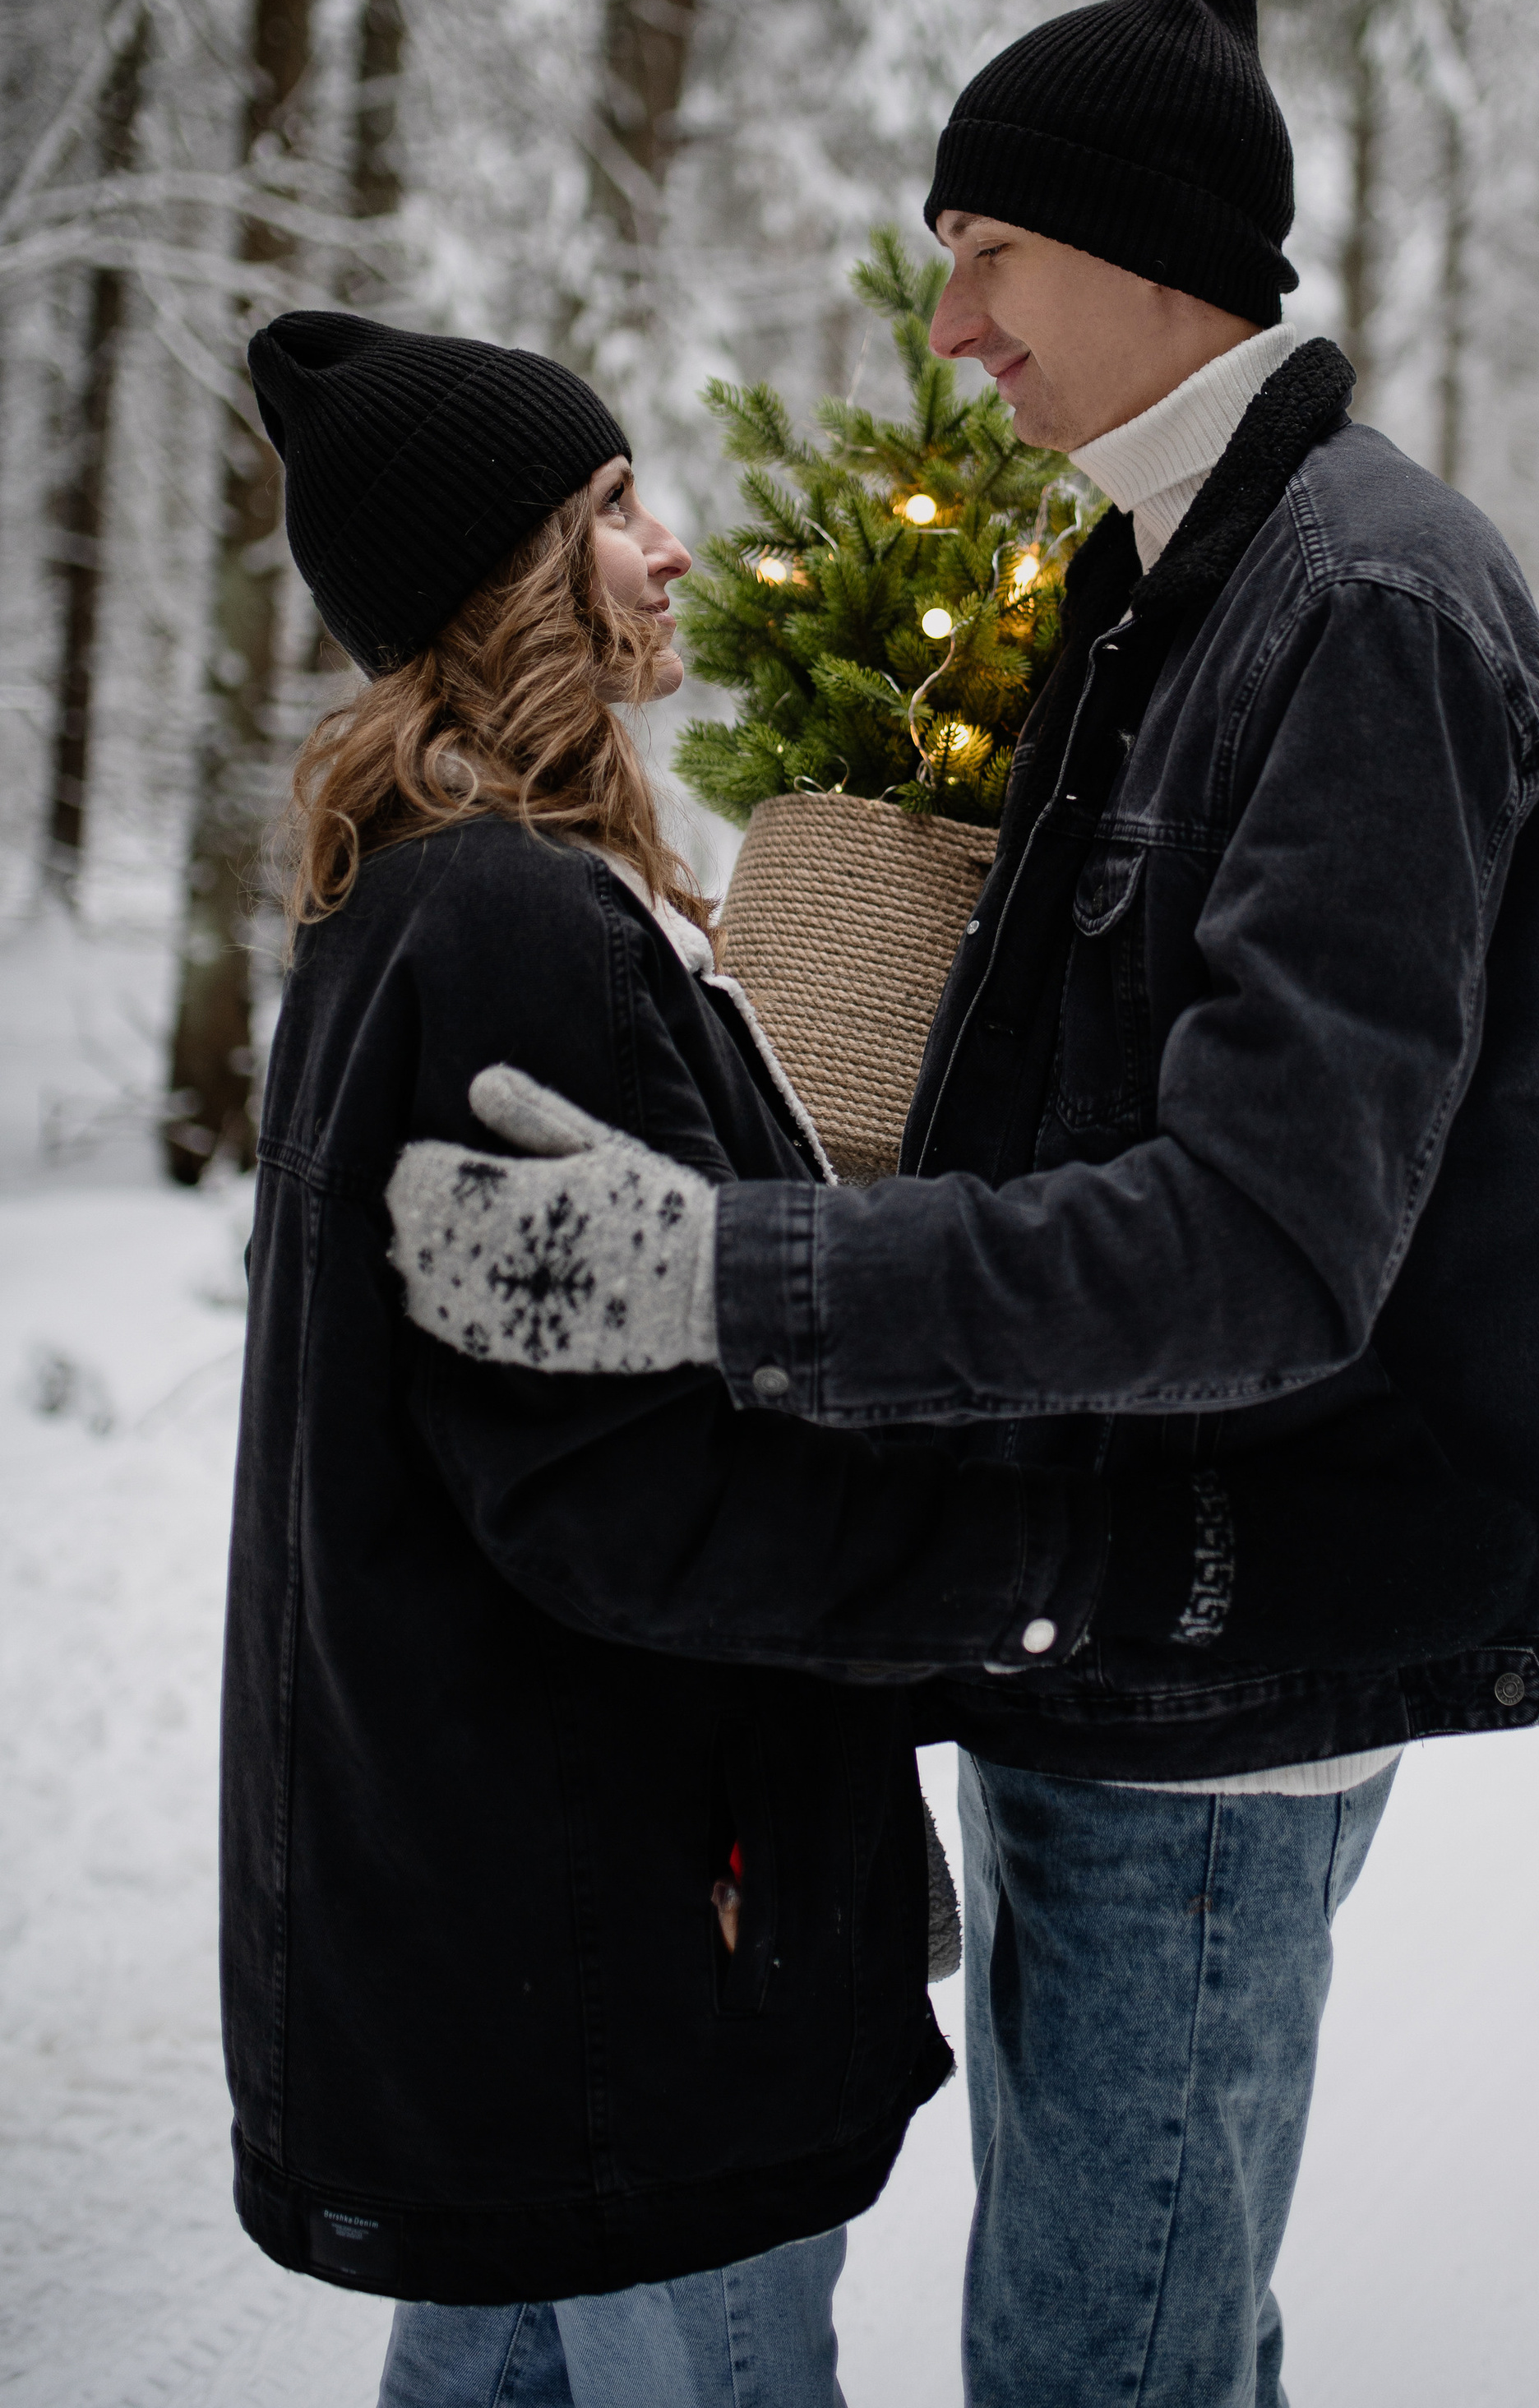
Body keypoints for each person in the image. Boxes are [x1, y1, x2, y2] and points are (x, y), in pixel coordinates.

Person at [389, 0, 1539, 2408]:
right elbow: (1059, 1074)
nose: (948, 324)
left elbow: (1265, 1244)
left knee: (1107, 2365)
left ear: (1154, 257)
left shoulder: (1363, 601)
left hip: (1231, 1636)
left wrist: (737, 1283)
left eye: (987, 257)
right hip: (1114, 1595)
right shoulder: (1159, 573)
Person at [228, 307, 1468, 2408]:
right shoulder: (517, 920)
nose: (671, 548)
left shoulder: (427, 903)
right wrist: (1032, 1581)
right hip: (618, 1934)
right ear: (502, 578)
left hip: (517, 1925)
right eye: (610, 513)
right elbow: (613, 1495)